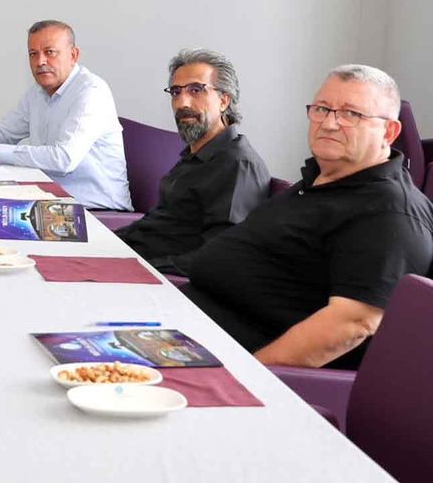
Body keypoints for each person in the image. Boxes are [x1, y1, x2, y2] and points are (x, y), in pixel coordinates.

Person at [183, 65, 433, 369]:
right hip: (189, 333)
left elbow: (352, 324)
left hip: (236, 368)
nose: (329, 123)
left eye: (351, 114)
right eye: (321, 109)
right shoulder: (321, 182)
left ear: (389, 132)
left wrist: (243, 375)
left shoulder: (390, 211)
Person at [117, 49, 270, 275]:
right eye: (176, 92)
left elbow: (220, 258)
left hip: (162, 280)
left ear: (224, 100)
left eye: (196, 90)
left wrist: (142, 268)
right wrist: (104, 244)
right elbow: (156, 228)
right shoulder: (195, 155)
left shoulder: (238, 165)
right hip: (134, 258)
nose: (182, 103)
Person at [0, 20, 131, 210]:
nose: (40, 61)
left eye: (50, 52)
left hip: (97, 211)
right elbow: (7, 130)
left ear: (73, 55)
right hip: (52, 199)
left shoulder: (90, 91)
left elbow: (63, 158)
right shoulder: (38, 92)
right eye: (33, 54)